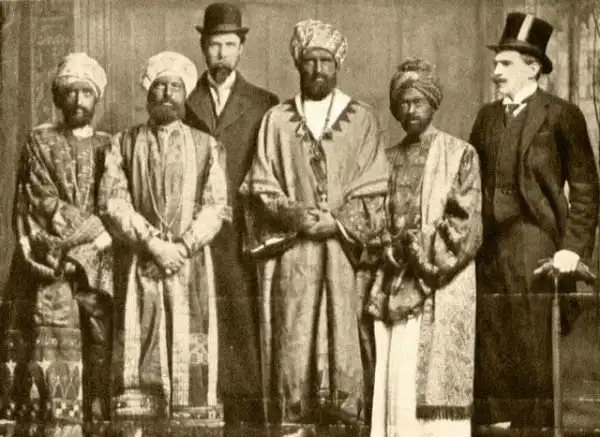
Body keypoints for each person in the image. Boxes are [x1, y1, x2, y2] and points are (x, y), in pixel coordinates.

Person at [239, 19, 389, 437]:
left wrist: (336, 222)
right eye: (310, 61)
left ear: (338, 65)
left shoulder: (363, 119)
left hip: (344, 255)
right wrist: (296, 215)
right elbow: (260, 184)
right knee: (292, 341)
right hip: (293, 255)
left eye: (326, 61)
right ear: (298, 65)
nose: (318, 69)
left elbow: (376, 186)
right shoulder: (276, 120)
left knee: (347, 342)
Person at [470, 12, 600, 431]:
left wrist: (571, 250)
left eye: (505, 64)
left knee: (531, 343)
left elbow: (585, 188)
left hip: (536, 244)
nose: (495, 72)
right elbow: (469, 181)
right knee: (491, 340)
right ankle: (497, 427)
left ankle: (535, 428)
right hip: (488, 245)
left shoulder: (562, 115)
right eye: (496, 63)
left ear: (533, 67)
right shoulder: (486, 117)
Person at [98, 51, 229, 420]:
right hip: (140, 259)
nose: (167, 93)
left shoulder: (206, 145)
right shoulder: (122, 143)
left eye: (175, 87)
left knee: (191, 345)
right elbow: (113, 201)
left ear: (185, 94)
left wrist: (183, 246)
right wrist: (153, 243)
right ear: (147, 92)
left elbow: (216, 204)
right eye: (159, 85)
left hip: (190, 262)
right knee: (141, 341)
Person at [367, 58, 482, 437]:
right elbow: (374, 218)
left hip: (440, 286)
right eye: (403, 102)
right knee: (396, 385)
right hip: (394, 285)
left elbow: (465, 226)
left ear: (433, 102)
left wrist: (415, 250)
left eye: (418, 101)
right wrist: (389, 247)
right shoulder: (386, 159)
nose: (410, 110)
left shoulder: (460, 154)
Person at [3, 52, 113, 424]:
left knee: (98, 343)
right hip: (49, 262)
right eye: (70, 92)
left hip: (96, 266)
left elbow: (113, 204)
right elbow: (40, 200)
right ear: (58, 97)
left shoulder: (110, 144)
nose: (79, 101)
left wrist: (92, 245)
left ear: (96, 98)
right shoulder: (40, 140)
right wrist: (88, 235)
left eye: (86, 93)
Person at [184, 2, 279, 430]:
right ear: (202, 47)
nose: (220, 53)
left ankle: (245, 423)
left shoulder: (264, 104)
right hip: (195, 235)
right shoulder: (182, 100)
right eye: (213, 45)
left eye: (228, 45)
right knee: (199, 323)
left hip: (243, 236)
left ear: (241, 48)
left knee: (242, 326)